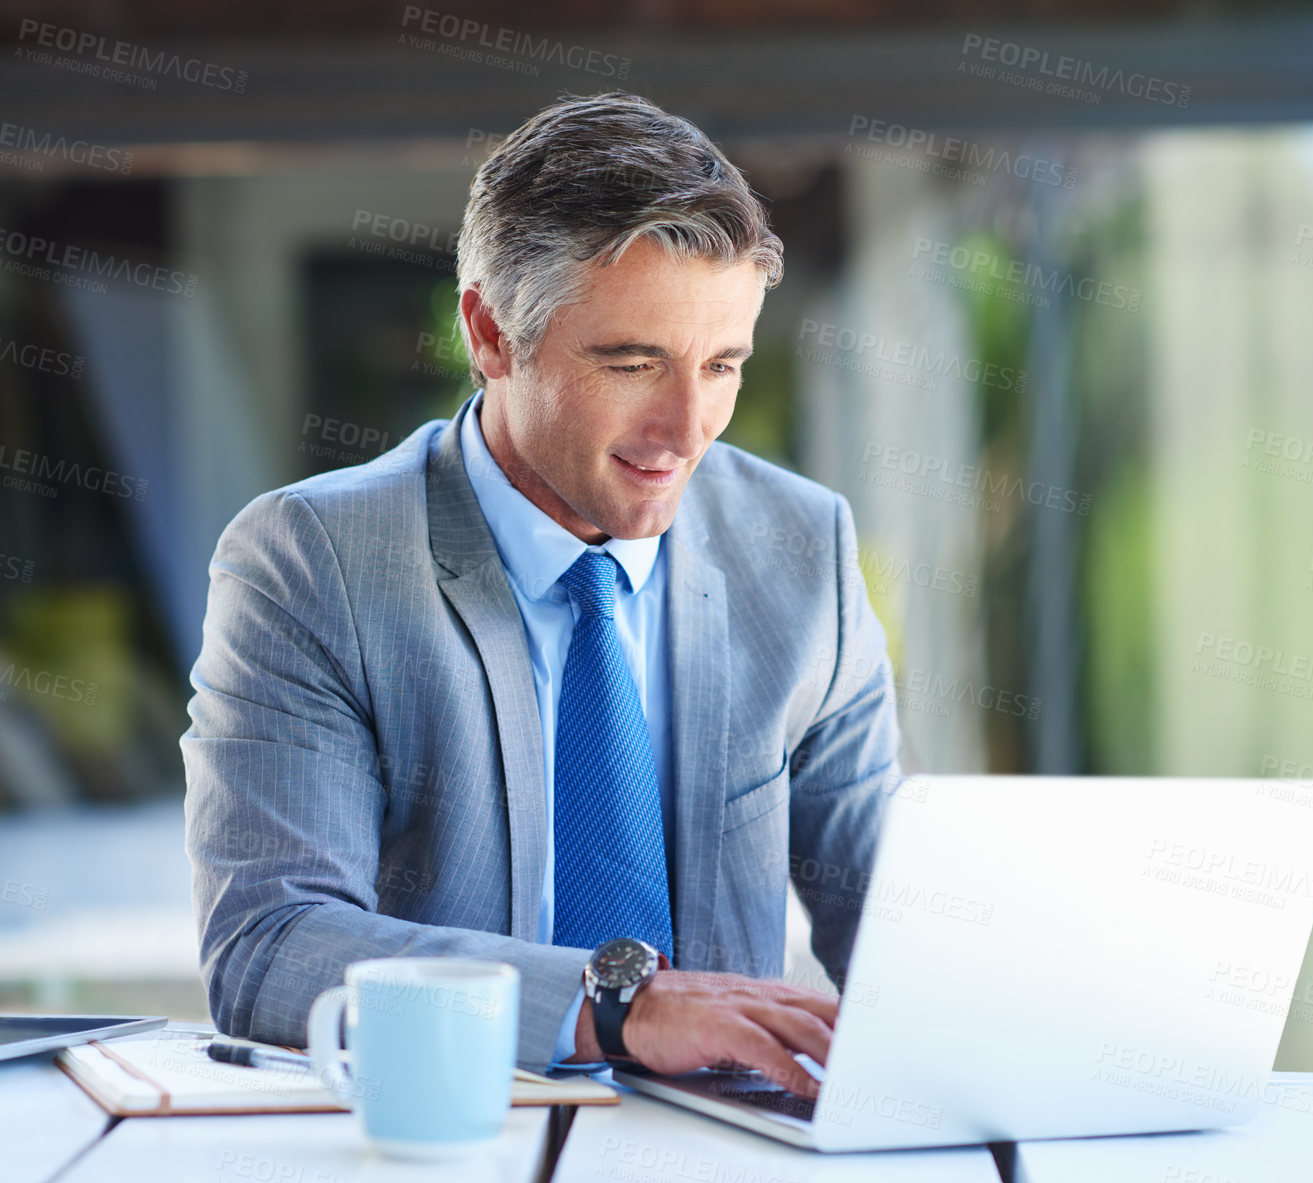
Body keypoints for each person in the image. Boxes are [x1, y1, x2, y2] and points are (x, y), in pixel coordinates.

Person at [182, 91, 900, 1098]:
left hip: (738, 1170)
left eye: (722, 364)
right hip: (461, 1158)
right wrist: (615, 1006)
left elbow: (894, 917)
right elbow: (272, 946)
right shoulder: (312, 561)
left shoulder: (801, 546)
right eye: (632, 362)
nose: (687, 427)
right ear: (488, 332)